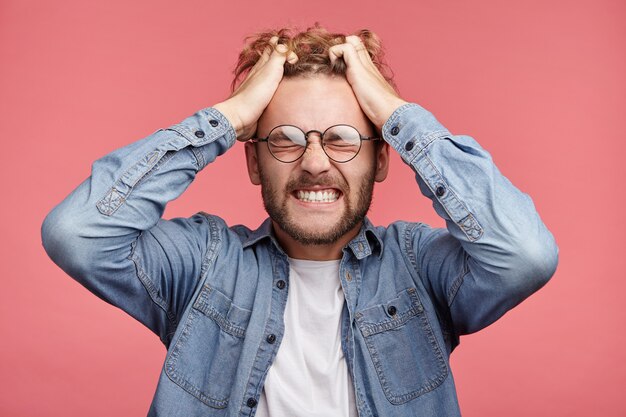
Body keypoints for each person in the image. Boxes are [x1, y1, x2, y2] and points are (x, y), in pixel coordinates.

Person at [41, 24, 559, 417]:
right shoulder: (201, 265)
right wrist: (228, 118)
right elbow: (77, 234)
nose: (314, 161)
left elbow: (525, 255)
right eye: (285, 139)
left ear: (381, 160)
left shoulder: (421, 268)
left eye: (342, 138)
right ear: (252, 160)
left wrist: (397, 115)